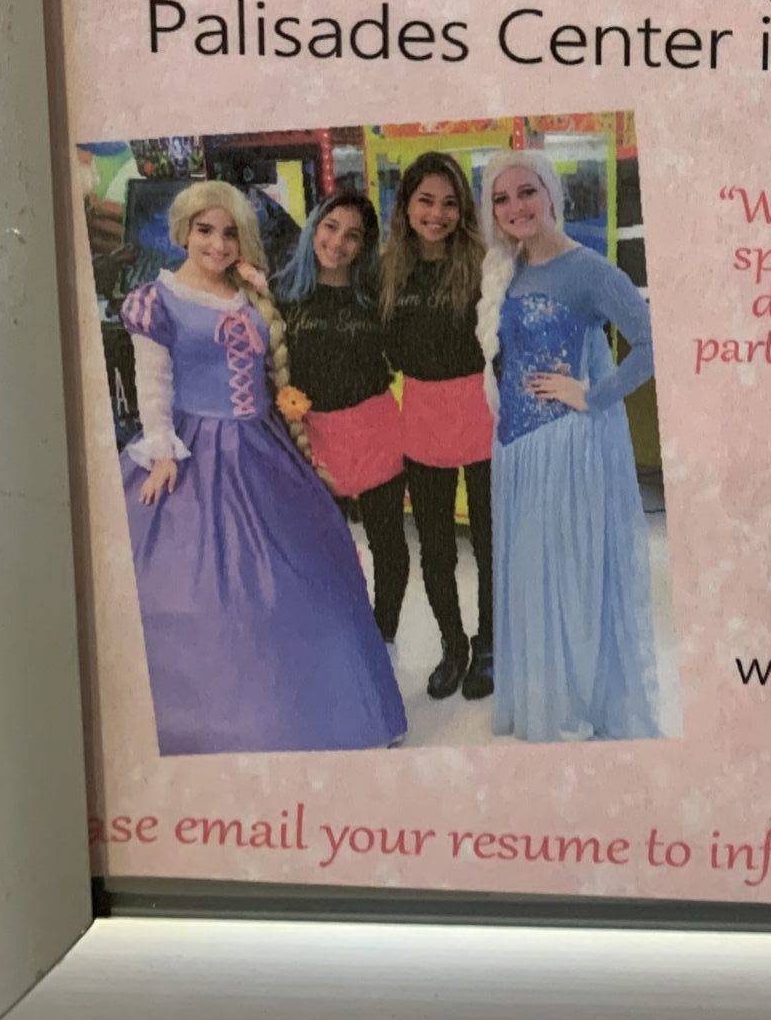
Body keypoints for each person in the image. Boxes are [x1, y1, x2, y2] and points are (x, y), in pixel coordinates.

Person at [119, 180, 406, 755]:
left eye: (229, 233)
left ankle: (320, 702)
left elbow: (273, 374)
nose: (217, 244)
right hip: (196, 453)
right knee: (210, 588)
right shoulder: (158, 299)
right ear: (184, 232)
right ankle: (231, 719)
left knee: (307, 572)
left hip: (263, 449)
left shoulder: (251, 294)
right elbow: (152, 381)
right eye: (205, 230)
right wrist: (161, 451)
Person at [476, 149, 659, 742]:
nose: (515, 207)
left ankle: (573, 701)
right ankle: (539, 697)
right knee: (530, 576)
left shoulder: (588, 269)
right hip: (515, 450)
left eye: (526, 192)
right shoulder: (507, 269)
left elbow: (652, 344)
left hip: (563, 447)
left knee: (566, 575)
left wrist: (593, 394)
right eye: (501, 199)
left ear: (551, 193)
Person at [380, 152, 495, 703]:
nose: (437, 213)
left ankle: (490, 644)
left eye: (449, 203)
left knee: (491, 543)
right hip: (422, 418)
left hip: (484, 413)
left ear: (463, 209)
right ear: (406, 205)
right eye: (425, 200)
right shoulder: (387, 269)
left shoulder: (484, 263)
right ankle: (454, 645)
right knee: (435, 547)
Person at [276, 189, 410, 655]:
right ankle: (336, 636)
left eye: (353, 235)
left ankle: (382, 638)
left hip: (376, 429)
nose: (337, 242)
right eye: (330, 227)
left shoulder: (377, 294)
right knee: (322, 546)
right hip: (312, 438)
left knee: (388, 544)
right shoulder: (280, 294)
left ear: (365, 245)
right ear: (314, 225)